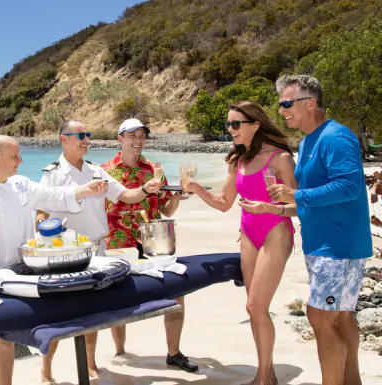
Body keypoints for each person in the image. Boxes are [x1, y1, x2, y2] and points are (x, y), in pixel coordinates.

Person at [0, 135, 108, 385]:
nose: (20, 160)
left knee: (7, 338)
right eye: (15, 156)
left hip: (18, 274)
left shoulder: (20, 184)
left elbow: (52, 195)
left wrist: (84, 189)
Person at [35, 119, 161, 383]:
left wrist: (146, 189)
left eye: (87, 134)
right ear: (63, 139)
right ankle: (46, 373)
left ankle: (90, 363)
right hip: (65, 255)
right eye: (80, 135)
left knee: (92, 312)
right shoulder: (52, 173)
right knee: (57, 315)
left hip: (98, 251)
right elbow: (40, 214)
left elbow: (126, 195)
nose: (86, 140)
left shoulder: (95, 170)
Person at [269, 75, 371, 385]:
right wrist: (282, 208)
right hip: (322, 245)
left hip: (339, 246)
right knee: (339, 317)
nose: (282, 110)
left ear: (310, 103)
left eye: (288, 103)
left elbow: (350, 186)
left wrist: (296, 195)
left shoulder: (335, 137)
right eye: (280, 104)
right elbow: (316, 197)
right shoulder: (309, 140)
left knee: (320, 317)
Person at [186, 101, 296, 385]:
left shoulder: (281, 158)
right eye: (228, 125)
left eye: (236, 124)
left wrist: (270, 208)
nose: (230, 130)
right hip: (248, 233)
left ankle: (262, 378)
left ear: (255, 125)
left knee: (255, 307)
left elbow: (301, 204)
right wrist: (197, 189)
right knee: (252, 305)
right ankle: (267, 374)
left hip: (275, 231)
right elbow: (224, 204)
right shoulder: (238, 160)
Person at [101, 118, 197, 372]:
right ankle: (120, 350)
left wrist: (177, 196)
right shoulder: (105, 171)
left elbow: (166, 209)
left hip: (153, 239)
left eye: (142, 135)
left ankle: (174, 353)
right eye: (132, 135)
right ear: (119, 139)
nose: (138, 140)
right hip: (118, 242)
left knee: (177, 291)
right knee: (116, 299)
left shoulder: (154, 169)